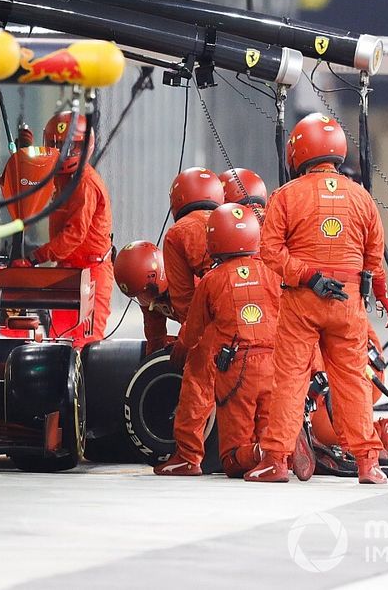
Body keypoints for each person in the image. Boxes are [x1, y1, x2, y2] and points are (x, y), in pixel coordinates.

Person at [246, 113, 388, 485]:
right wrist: (381, 296)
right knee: (354, 381)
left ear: (298, 152)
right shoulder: (361, 197)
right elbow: (374, 255)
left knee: (290, 379)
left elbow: (270, 251)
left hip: (303, 301)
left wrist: (308, 276)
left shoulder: (286, 196)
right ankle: (368, 463)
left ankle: (275, 461)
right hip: (349, 304)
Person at [177, 203, 280, 476]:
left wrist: (180, 348)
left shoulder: (212, 280)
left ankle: (261, 452)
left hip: (237, 370)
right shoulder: (272, 273)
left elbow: (194, 329)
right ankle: (275, 454)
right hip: (274, 364)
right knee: (269, 435)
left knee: (232, 460)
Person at [152, 167, 223, 475]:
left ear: (178, 200)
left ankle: (188, 456)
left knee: (197, 383)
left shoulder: (178, 233)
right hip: (259, 311)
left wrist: (187, 340)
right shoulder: (240, 218)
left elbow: (184, 302)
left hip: (215, 312)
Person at [30, 111, 113, 348]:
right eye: (57, 146)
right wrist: (23, 151)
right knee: (59, 342)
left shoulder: (85, 183)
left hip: (91, 273)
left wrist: (35, 258)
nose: (64, 154)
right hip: (66, 270)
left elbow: (73, 236)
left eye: (70, 147)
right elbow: (29, 182)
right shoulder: (61, 177)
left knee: (86, 346)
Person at [113, 241, 178, 356]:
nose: (143, 299)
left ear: (154, 276)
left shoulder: (188, 285)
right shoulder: (147, 291)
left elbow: (200, 331)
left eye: (143, 293)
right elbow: (155, 338)